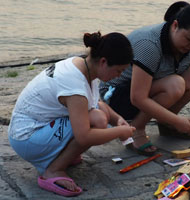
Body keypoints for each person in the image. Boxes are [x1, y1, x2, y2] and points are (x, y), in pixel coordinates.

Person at [8, 31, 135, 197]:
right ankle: (53, 170)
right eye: (119, 71)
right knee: (97, 120)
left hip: (33, 126)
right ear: (104, 62)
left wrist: (118, 119)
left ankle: (63, 154)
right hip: (26, 137)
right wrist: (120, 132)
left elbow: (98, 104)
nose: (118, 76)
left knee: (100, 112)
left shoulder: (84, 66)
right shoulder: (74, 84)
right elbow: (84, 136)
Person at [100, 1, 190, 156]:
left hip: (147, 90)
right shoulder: (149, 44)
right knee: (175, 84)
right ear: (175, 25)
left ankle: (166, 125)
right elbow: (137, 98)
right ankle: (136, 129)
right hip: (115, 97)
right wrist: (177, 120)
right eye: (189, 39)